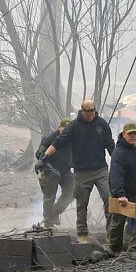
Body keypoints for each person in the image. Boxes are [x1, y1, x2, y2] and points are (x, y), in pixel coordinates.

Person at [40, 99, 114, 244]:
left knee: (108, 199)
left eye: (92, 110)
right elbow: (59, 141)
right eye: (87, 111)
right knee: (82, 204)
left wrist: (117, 161)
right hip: (82, 172)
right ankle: (82, 234)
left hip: (100, 169)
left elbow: (110, 144)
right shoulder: (74, 126)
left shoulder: (102, 124)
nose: (90, 114)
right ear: (82, 110)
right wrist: (44, 157)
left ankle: (111, 234)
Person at [107, 122, 136, 257]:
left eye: (135, 133)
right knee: (118, 222)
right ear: (124, 134)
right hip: (121, 192)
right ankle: (114, 248)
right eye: (130, 133)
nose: (133, 136)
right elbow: (116, 174)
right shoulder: (118, 152)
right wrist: (120, 194)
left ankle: (134, 248)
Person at [35, 118, 74, 228]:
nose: (64, 133)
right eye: (63, 131)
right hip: (49, 171)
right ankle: (48, 223)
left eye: (67, 131)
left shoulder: (73, 140)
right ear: (59, 129)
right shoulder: (49, 138)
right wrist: (42, 161)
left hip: (65, 171)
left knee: (73, 189)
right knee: (49, 196)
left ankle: (55, 212)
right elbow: (40, 154)